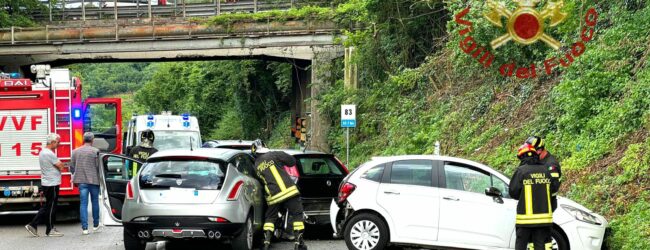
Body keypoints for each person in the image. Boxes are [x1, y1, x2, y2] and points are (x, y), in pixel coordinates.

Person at [252, 140, 307, 250]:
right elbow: (292, 161)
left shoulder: (256, 165)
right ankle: (298, 243)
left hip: (273, 196)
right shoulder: (275, 154)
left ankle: (266, 243)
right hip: (289, 192)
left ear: (255, 152)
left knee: (270, 218)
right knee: (297, 215)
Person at [509, 143, 560, 250]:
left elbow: (513, 192)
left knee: (521, 246)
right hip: (544, 220)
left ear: (522, 157)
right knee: (541, 246)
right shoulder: (546, 171)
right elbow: (554, 188)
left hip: (525, 221)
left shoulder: (521, 171)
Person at [25, 134, 66, 237]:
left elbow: (58, 165)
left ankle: (43, 227)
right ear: (52, 142)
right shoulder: (49, 154)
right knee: (51, 207)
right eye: (57, 142)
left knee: (48, 206)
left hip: (47, 182)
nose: (58, 144)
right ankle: (44, 228)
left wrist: (60, 165)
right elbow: (61, 167)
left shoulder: (43, 152)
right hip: (52, 183)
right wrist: (62, 165)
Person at [71, 132, 101, 235]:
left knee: (83, 204)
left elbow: (72, 167)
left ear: (83, 139)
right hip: (94, 180)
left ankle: (84, 228)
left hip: (81, 181)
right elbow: (99, 167)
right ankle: (96, 225)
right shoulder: (96, 151)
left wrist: (75, 176)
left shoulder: (75, 152)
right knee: (95, 202)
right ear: (92, 140)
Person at [525, 136, 562, 211]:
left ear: (539, 150)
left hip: (547, 204)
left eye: (532, 153)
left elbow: (554, 186)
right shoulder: (537, 161)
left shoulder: (551, 165)